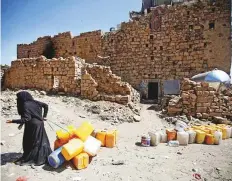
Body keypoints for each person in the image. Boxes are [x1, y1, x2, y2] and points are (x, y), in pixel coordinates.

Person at [6, 91, 52, 166]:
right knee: (39, 141)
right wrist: (44, 116)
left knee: (30, 142)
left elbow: (26, 119)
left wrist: (12, 121)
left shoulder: (25, 104)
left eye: (18, 98)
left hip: (32, 126)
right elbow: (45, 105)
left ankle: (35, 158)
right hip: (40, 124)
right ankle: (41, 158)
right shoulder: (35, 102)